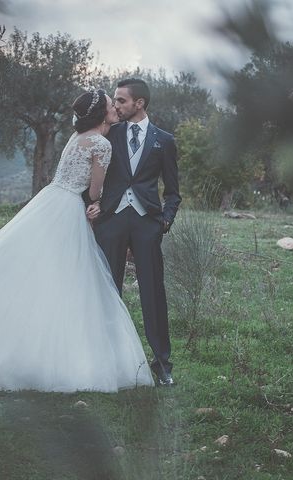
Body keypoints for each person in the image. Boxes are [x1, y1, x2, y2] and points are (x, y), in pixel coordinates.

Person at [0, 89, 154, 392]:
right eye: (112, 106)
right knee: (67, 274)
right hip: (70, 206)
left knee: (30, 267)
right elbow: (95, 191)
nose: (115, 109)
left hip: (49, 201)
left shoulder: (77, 138)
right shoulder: (101, 143)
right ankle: (53, 349)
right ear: (101, 114)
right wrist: (97, 202)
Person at [85, 79, 181, 386]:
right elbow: (88, 174)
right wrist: (93, 206)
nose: (116, 106)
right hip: (111, 222)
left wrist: (164, 221)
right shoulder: (109, 133)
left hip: (146, 225)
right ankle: (105, 359)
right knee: (107, 290)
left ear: (139, 103)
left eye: (121, 101)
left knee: (153, 293)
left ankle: (162, 364)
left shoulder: (164, 140)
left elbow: (173, 192)